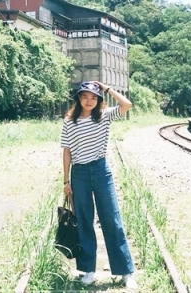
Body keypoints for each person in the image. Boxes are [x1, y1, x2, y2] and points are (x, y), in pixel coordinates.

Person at [60, 81, 137, 289]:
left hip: (101, 171)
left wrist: (107, 88)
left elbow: (127, 104)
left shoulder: (104, 116)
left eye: (94, 97)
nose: (89, 101)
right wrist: (66, 181)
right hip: (79, 173)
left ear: (98, 100)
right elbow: (66, 151)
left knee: (111, 219)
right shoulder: (69, 121)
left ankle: (125, 271)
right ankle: (88, 270)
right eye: (85, 97)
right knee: (84, 221)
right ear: (78, 98)